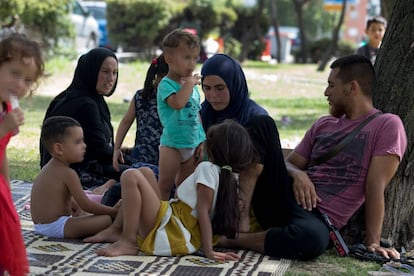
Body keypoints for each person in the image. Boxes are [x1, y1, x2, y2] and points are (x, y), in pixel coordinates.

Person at [203, 54, 407, 261]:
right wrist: (299, 174)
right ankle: (242, 218)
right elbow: (288, 164)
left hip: (318, 219)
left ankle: (232, 241)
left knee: (312, 240)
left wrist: (373, 241)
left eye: (331, 85)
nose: (326, 92)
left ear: (351, 87)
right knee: (263, 124)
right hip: (283, 197)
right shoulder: (324, 124)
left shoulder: (387, 125)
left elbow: (375, 187)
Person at [84, 119, 257, 260]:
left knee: (130, 176)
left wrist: (209, 250)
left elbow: (203, 213)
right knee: (144, 172)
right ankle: (116, 229)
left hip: (173, 229)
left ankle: (128, 241)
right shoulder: (229, 178)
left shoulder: (207, 169)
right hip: (176, 221)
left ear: (212, 149)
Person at [40, 47, 129, 191]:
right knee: (135, 176)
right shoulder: (85, 104)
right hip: (75, 174)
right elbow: (99, 150)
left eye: (114, 73)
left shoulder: (75, 96)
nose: (111, 78)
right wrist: (130, 159)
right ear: (91, 71)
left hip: (62, 171)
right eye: (105, 72)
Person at [200, 53, 268, 232]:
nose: (212, 95)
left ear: (234, 84)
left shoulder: (255, 118)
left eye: (220, 88)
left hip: (246, 198)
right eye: (206, 88)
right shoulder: (204, 114)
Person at [31, 116, 119, 239]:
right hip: (55, 227)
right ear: (59, 148)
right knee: (106, 220)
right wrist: (113, 212)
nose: (84, 146)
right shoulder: (67, 173)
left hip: (42, 226)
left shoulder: (51, 168)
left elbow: (66, 199)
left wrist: (78, 210)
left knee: (89, 215)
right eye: (78, 142)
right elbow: (86, 204)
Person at [0, 33, 44, 276]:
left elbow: (2, 152)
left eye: (27, 80)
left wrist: (6, 189)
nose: (20, 84)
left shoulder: (6, 106)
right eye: (15, 73)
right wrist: (3, 127)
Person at [157, 29, 206, 200]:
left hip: (191, 144)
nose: (192, 64)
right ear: (169, 59)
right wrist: (190, 85)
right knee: (164, 185)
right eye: (186, 58)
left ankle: (178, 219)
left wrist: (202, 139)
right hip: (172, 145)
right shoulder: (166, 84)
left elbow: (195, 113)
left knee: (184, 188)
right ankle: (159, 217)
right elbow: (178, 103)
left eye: (195, 58)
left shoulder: (190, 88)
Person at [113, 54, 168, 173]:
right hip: (150, 158)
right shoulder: (144, 96)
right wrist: (117, 148)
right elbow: (126, 122)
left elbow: (125, 122)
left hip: (152, 158)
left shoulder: (142, 96)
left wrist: (117, 147)